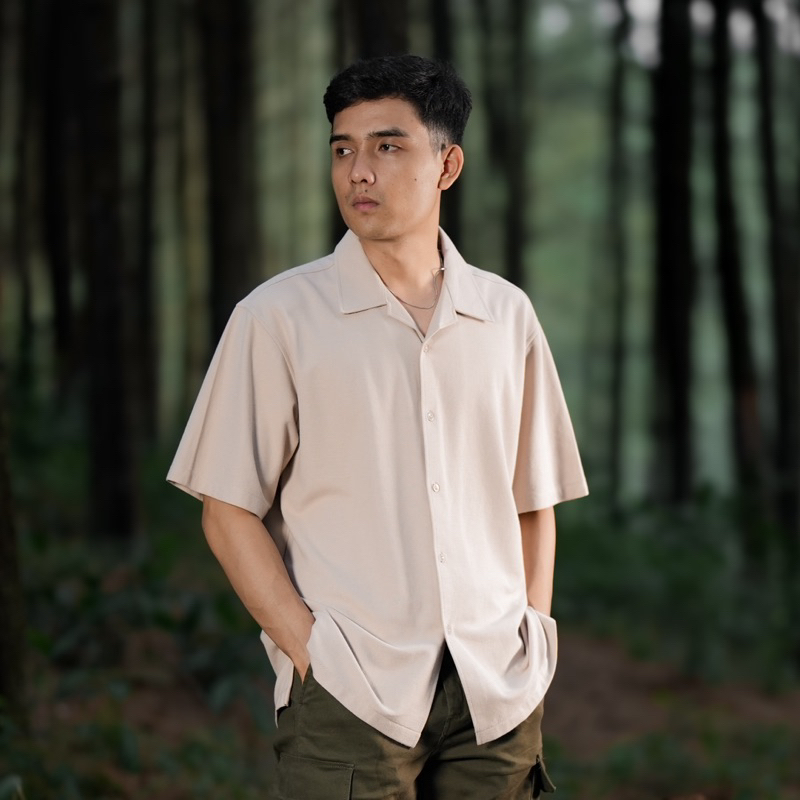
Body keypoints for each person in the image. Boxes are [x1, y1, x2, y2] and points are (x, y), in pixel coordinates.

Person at [168, 54, 588, 800]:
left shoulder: (506, 316)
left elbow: (533, 501)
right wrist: (314, 654)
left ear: (447, 165)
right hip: (352, 694)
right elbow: (226, 507)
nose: (358, 171)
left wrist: (532, 639)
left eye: (388, 146)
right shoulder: (278, 317)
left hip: (497, 693)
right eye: (343, 148)